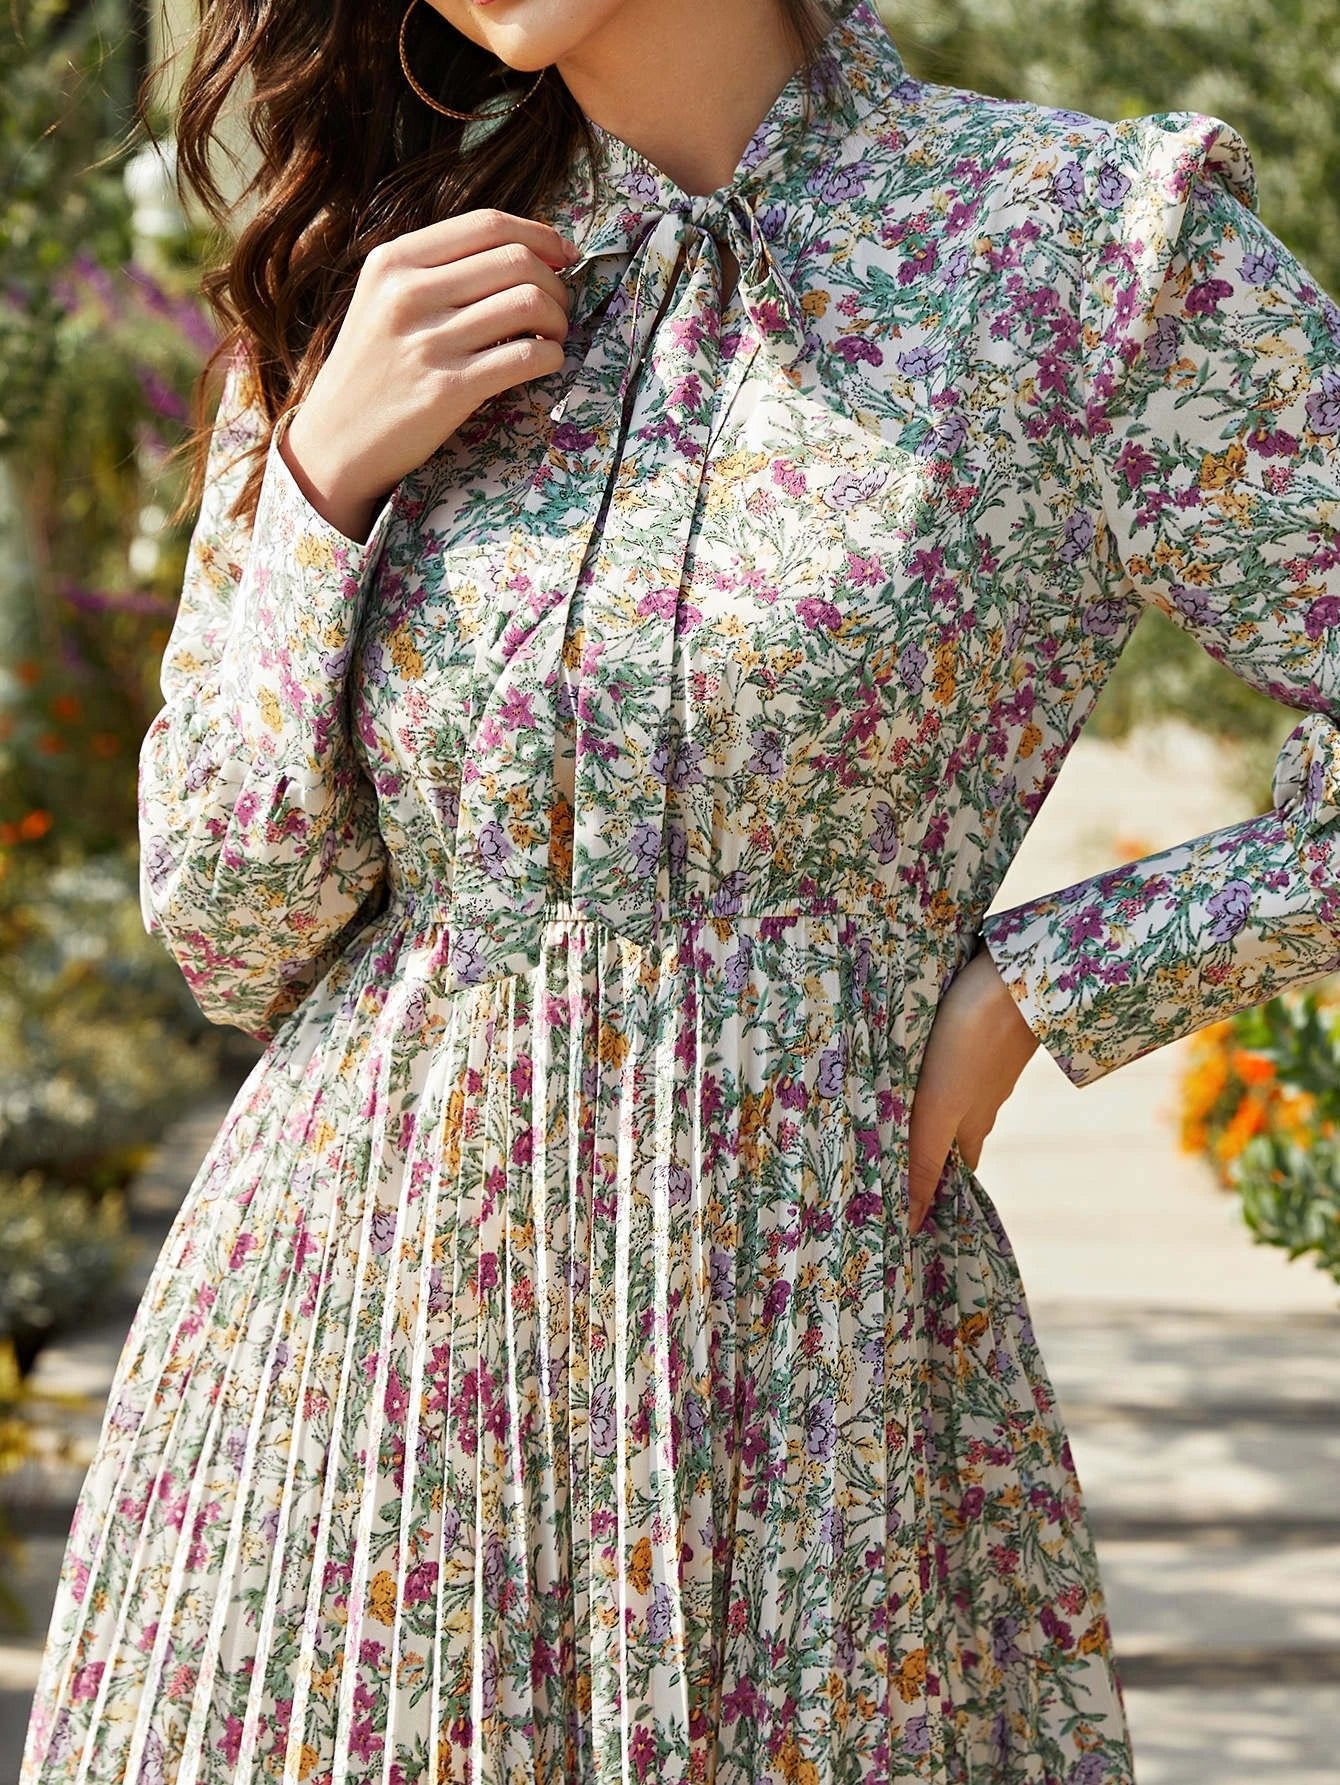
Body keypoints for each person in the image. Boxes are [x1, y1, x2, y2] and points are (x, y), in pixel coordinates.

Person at [19, 0, 1340, 1779]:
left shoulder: (1080, 255)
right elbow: (228, 925)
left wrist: (1047, 986)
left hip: (797, 1378)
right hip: (341, 1391)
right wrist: (325, 483)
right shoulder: (376, 279)